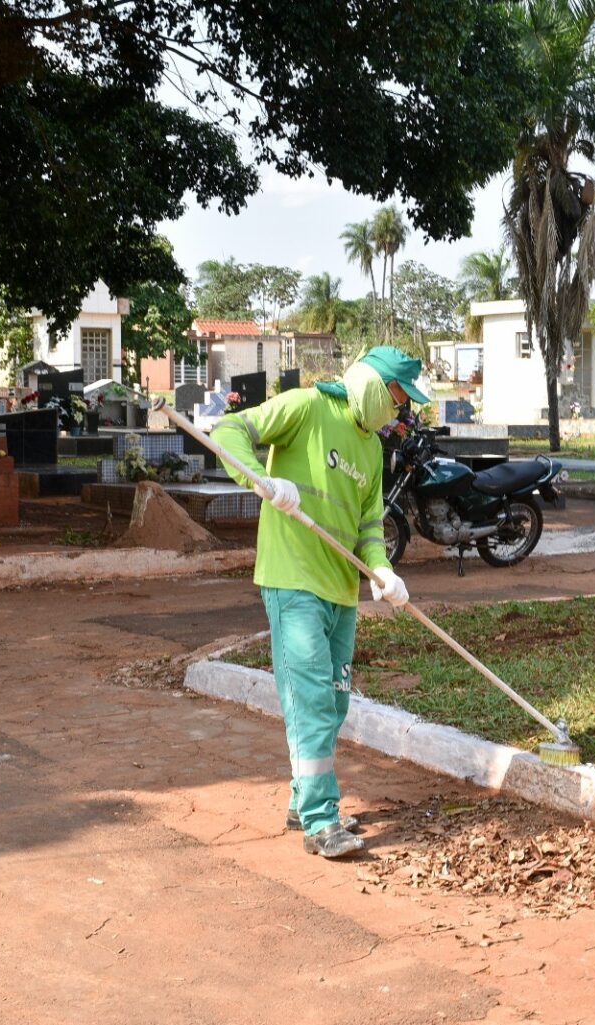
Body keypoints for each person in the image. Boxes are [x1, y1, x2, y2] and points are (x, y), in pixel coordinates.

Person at [212, 346, 429, 859]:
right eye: (399, 397)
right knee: (309, 697)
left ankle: (300, 800)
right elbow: (229, 432)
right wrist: (262, 482)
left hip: (340, 590)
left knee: (333, 701)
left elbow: (370, 524)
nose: (400, 411)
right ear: (376, 384)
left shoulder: (373, 450)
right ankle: (320, 820)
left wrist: (381, 569)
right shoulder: (307, 407)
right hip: (293, 580)